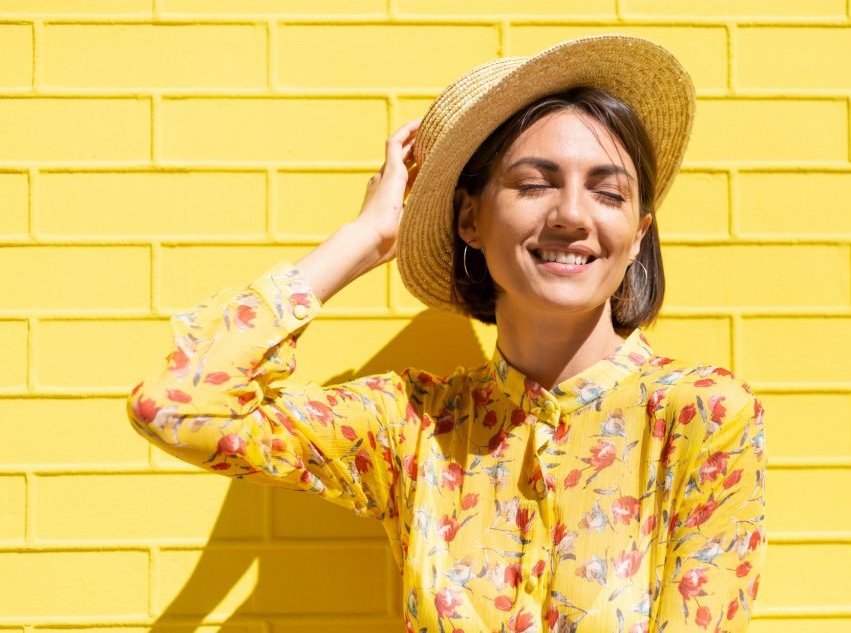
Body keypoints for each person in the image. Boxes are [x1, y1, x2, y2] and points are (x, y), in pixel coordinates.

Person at [127, 35, 767, 632]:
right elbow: (177, 407)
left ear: (637, 237)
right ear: (470, 217)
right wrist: (365, 239)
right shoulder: (410, 427)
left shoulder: (699, 416)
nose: (572, 214)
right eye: (535, 184)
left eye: (608, 194)